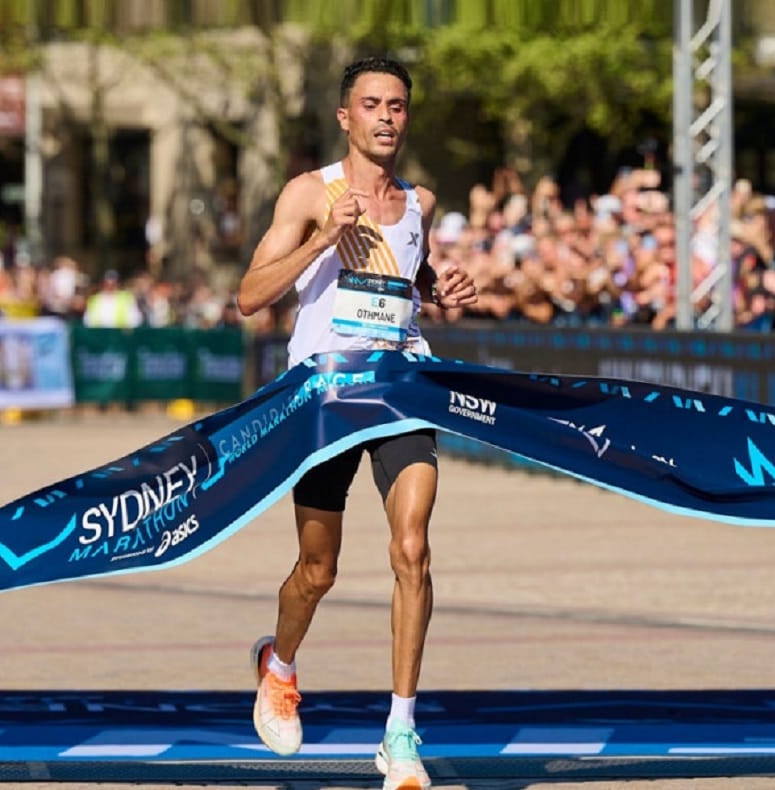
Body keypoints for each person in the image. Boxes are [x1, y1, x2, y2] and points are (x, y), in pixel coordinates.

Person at [236, 56, 477, 790]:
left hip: (401, 389)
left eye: (397, 106)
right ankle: (278, 665)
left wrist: (438, 286)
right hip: (324, 396)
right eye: (370, 104)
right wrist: (318, 240)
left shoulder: (421, 202)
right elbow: (250, 295)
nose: (384, 117)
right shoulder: (311, 194)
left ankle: (401, 733)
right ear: (346, 117)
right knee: (318, 569)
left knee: (413, 549)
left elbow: (401, 282)